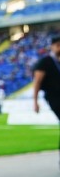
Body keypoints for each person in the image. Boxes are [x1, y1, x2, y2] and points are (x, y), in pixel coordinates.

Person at [31, 34, 60, 166]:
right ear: (52, 46)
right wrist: (35, 101)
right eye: (58, 45)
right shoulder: (46, 62)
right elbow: (37, 82)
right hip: (55, 97)